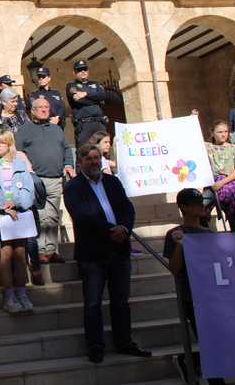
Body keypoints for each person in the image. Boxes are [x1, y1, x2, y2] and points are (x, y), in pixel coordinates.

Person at [64, 144, 151, 364]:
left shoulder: (113, 182)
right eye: (90, 159)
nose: (94, 162)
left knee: (121, 300)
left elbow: (126, 207)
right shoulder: (74, 187)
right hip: (93, 253)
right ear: (81, 161)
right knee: (93, 303)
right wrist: (110, 230)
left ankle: (125, 342)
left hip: (119, 250)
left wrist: (124, 227)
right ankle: (95, 346)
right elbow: (82, 215)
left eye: (97, 158)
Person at [164, 188, 225, 385]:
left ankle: (190, 361)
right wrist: (181, 246)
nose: (201, 206)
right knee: (209, 340)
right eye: (196, 203)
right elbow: (173, 269)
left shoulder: (209, 233)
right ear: (183, 207)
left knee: (220, 340)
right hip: (193, 296)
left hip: (216, 294)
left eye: (201, 202)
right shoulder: (174, 234)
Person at [15, 97, 75, 263]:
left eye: (46, 107)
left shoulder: (56, 130)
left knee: (54, 216)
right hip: (36, 180)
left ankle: (52, 250)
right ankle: (41, 251)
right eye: (40, 107)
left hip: (56, 179)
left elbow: (66, 149)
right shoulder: (24, 130)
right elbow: (17, 153)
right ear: (32, 111)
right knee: (41, 216)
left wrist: (69, 164)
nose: (44, 110)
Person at [0, 129, 35, 314]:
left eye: (2, 143)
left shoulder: (19, 163)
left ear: (9, 145)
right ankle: (9, 295)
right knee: (6, 253)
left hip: (20, 213)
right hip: (2, 214)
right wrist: (5, 207)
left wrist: (17, 203)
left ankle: (22, 292)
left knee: (21, 253)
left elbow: (28, 190)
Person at [205, 120, 235, 232]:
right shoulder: (208, 147)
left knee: (233, 220)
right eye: (219, 132)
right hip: (212, 185)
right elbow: (194, 139)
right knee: (201, 209)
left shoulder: (233, 148)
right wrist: (193, 119)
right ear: (212, 133)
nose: (223, 134)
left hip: (230, 185)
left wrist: (222, 183)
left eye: (226, 131)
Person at [66, 59, 107, 147]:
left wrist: (85, 94)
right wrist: (95, 98)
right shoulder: (71, 86)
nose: (83, 71)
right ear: (74, 72)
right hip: (84, 125)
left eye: (85, 69)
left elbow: (103, 95)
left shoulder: (95, 84)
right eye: (79, 70)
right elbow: (78, 99)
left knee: (103, 152)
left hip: (99, 123)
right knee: (84, 153)